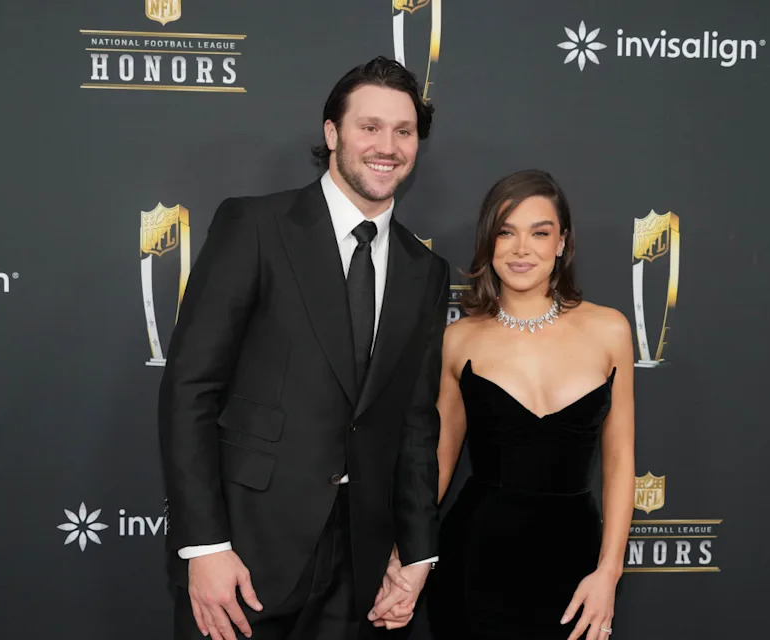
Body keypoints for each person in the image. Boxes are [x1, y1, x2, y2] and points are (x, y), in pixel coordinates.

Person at [158, 56, 449, 640]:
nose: (387, 145)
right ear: (331, 132)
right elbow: (191, 387)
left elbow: (415, 422)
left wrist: (415, 557)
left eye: (404, 130)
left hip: (360, 567)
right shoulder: (256, 226)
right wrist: (205, 546)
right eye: (369, 127)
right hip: (244, 553)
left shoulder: (425, 270)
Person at [426, 170, 635, 639]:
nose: (522, 249)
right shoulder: (457, 340)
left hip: (575, 562)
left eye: (540, 233)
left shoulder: (610, 330)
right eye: (506, 231)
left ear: (562, 243)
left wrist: (609, 572)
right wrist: (404, 557)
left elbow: (621, 463)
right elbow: (437, 465)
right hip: (475, 559)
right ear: (488, 242)